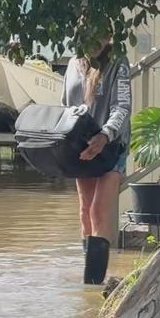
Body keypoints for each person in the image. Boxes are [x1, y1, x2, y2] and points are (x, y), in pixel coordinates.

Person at [62, 38, 132, 284]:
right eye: (89, 33)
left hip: (111, 146)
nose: (95, 39)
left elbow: (122, 107)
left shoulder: (118, 63)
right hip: (81, 147)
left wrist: (105, 135)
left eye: (102, 32)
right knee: (84, 212)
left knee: (98, 210)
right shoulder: (72, 65)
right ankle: (89, 284)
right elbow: (65, 107)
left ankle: (94, 284)